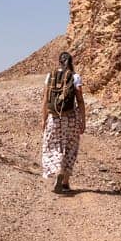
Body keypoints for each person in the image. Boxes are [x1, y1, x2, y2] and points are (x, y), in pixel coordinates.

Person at [41, 52, 86, 193]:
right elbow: (80, 100)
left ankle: (56, 170)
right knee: (70, 146)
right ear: (71, 62)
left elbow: (45, 100)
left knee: (52, 145)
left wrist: (43, 120)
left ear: (59, 61)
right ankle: (65, 181)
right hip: (71, 117)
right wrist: (83, 119)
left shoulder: (50, 76)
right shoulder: (75, 77)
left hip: (54, 118)